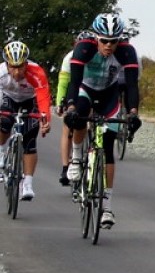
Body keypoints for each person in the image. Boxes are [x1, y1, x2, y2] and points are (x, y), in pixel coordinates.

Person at [63, 13, 141, 228]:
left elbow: (132, 86)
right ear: (96, 38)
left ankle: (106, 207)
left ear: (119, 40)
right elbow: (74, 80)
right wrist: (70, 107)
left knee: (108, 147)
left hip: (109, 96)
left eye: (113, 41)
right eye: (104, 41)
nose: (108, 46)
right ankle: (77, 158)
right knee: (78, 115)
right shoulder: (84, 48)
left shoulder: (126, 51)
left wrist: (133, 113)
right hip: (85, 90)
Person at [0, 41, 51, 200]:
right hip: (8, 98)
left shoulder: (36, 72)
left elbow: (43, 97)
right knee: (4, 122)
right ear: (7, 64)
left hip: (30, 100)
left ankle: (27, 183)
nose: (16, 72)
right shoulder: (1, 72)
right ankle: (1, 153)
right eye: (13, 67)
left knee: (30, 138)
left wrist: (45, 119)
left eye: (20, 67)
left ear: (26, 63)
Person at [55, 30, 93, 186]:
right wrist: (60, 103)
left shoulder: (96, 56)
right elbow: (64, 83)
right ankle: (65, 167)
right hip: (73, 91)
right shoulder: (69, 57)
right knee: (68, 126)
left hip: (89, 91)